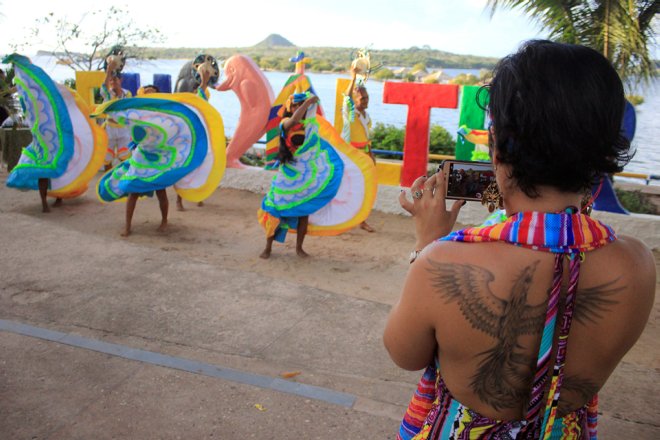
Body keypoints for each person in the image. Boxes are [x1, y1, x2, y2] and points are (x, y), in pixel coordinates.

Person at [384, 40, 655, 439]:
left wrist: (428, 242)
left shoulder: (443, 261)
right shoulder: (637, 263)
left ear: (496, 147)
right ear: (605, 149)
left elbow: (403, 353)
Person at [259, 93, 320, 259]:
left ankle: (299, 248)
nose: (297, 107)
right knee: (276, 210)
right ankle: (268, 246)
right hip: (286, 175)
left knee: (304, 212)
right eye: (295, 105)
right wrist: (308, 102)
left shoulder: (308, 127)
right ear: (288, 107)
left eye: (299, 105)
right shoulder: (284, 123)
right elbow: (293, 120)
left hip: (303, 176)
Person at [342, 65, 375, 232]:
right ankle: (341, 221)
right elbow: (346, 96)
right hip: (351, 157)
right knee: (347, 190)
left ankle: (362, 221)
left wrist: (371, 155)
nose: (366, 101)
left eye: (367, 98)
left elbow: (367, 139)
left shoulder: (366, 117)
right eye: (362, 99)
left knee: (364, 190)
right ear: (354, 100)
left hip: (363, 156)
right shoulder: (350, 113)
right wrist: (353, 77)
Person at [176, 66, 211, 211]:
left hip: (199, 139)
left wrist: (204, 81)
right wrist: (204, 79)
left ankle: (199, 195)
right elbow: (200, 95)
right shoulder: (186, 102)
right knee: (184, 169)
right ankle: (179, 200)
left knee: (201, 168)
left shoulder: (200, 101)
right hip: (186, 140)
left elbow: (202, 96)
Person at [101, 59, 132, 171]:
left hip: (123, 129)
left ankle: (124, 181)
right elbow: (104, 86)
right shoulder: (108, 94)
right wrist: (109, 70)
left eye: (115, 79)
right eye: (111, 80)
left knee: (124, 157)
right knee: (107, 158)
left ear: (121, 80)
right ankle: (107, 182)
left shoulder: (127, 93)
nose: (113, 82)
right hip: (109, 129)